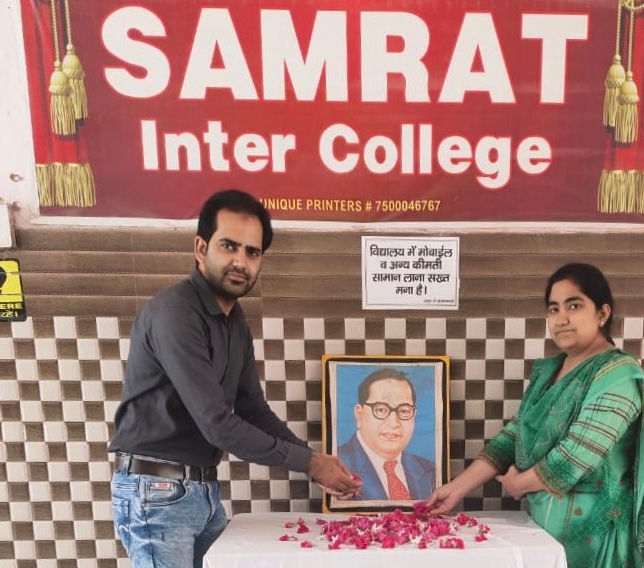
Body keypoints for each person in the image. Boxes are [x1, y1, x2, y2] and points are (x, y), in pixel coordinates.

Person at [109, 189, 360, 568]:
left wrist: (314, 460)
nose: (240, 261)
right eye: (229, 246)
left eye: (252, 252)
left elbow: (252, 410)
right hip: (156, 492)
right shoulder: (175, 314)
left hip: (200, 489)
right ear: (201, 248)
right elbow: (217, 424)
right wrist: (309, 463)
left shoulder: (233, 321)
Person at [426, 263, 644, 568]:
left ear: (602, 313)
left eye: (574, 306)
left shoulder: (619, 375)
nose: (561, 318)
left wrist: (519, 485)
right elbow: (514, 437)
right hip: (544, 529)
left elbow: (578, 454)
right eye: (554, 309)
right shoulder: (549, 371)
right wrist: (455, 489)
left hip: (596, 539)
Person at [337, 368, 436, 501]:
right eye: (381, 410)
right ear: (360, 415)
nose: (394, 423)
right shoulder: (337, 466)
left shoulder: (432, 471)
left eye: (404, 411)